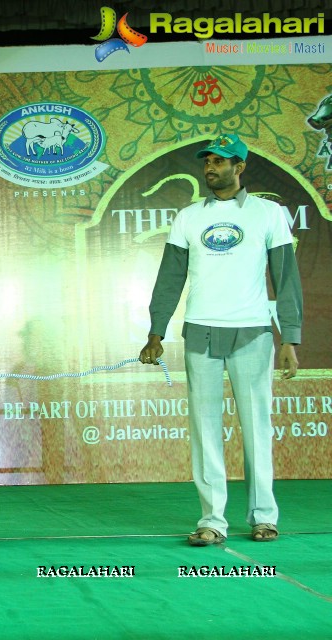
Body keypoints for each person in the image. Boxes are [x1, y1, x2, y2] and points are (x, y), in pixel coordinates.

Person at [139, 133, 302, 547]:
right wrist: (156, 331)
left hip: (253, 334)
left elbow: (286, 280)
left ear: (239, 167)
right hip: (200, 334)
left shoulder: (269, 214)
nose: (211, 167)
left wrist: (290, 339)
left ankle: (264, 516)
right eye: (207, 161)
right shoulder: (189, 217)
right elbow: (169, 279)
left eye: (220, 161)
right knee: (205, 430)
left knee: (256, 428)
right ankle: (212, 520)